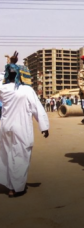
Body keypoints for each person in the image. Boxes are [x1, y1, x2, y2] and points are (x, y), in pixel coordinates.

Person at [0, 51, 49, 197]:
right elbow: (37, 108)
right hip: (21, 128)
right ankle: (16, 188)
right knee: (20, 155)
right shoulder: (27, 90)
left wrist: (11, 64)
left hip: (5, 127)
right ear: (20, 75)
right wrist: (44, 126)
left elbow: (3, 76)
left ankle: (10, 185)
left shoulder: (3, 89)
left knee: (7, 155)